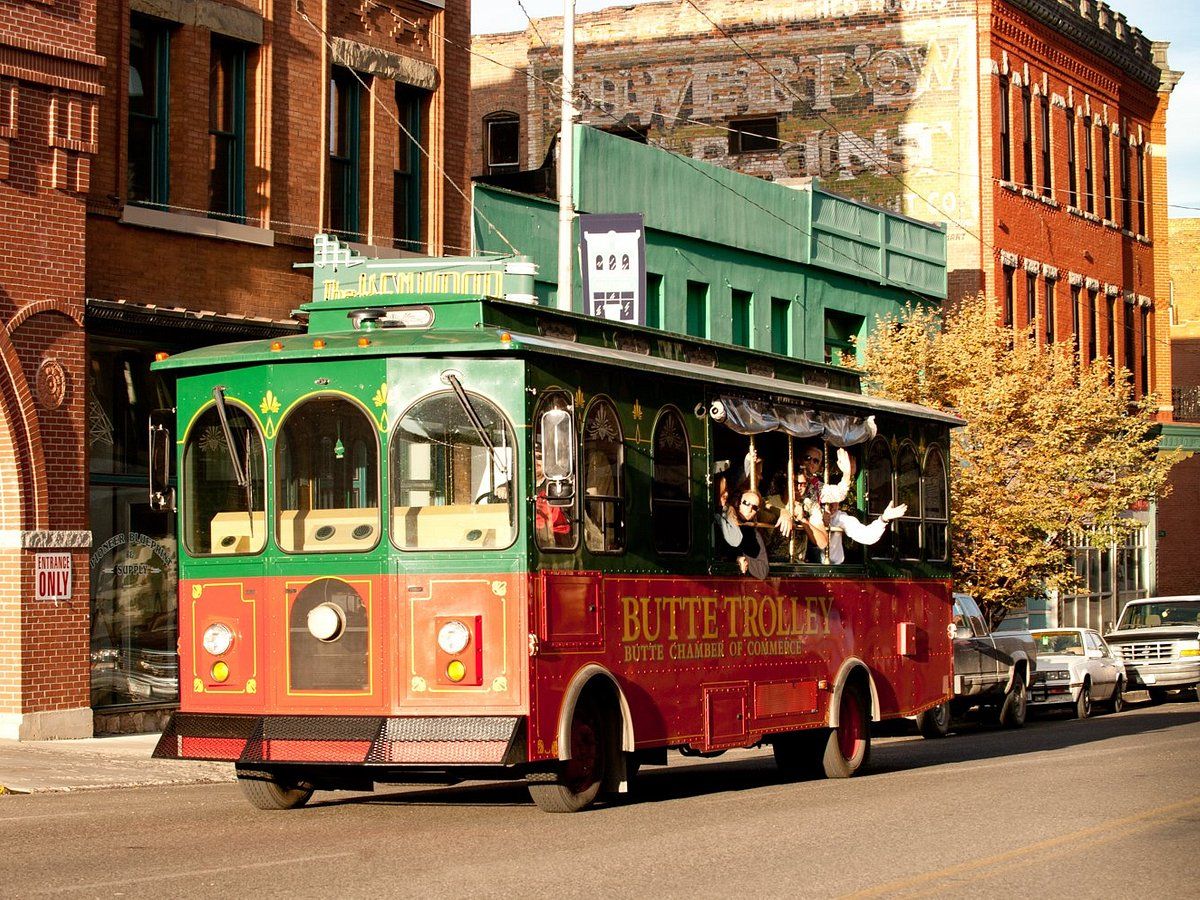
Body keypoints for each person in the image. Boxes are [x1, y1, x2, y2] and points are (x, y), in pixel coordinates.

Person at [719, 489, 769, 580]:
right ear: (738, 503)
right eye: (746, 503)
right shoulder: (722, 522)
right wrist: (735, 559)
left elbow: (763, 571)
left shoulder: (754, 535)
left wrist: (745, 559)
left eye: (754, 507)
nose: (750, 509)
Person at [534, 448, 571, 547]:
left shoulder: (557, 484)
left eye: (539, 457)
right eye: (533, 458)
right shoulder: (518, 483)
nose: (535, 461)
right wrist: (503, 488)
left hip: (556, 540)